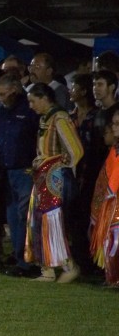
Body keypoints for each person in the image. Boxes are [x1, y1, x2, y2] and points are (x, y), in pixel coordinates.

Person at [24, 83, 83, 282]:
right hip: (43, 179)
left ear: (44, 98)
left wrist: (54, 165)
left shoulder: (60, 118)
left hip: (55, 181)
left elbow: (75, 150)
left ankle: (69, 266)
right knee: (39, 221)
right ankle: (47, 269)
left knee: (54, 222)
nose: (31, 106)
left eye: (33, 101)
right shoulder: (46, 118)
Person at [0, 74, 42, 277]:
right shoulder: (1, 111)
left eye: (3, 94)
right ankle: (18, 256)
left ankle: (28, 262)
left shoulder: (29, 111)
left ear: (15, 90)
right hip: (6, 171)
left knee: (24, 216)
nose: (0, 98)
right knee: (13, 217)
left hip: (25, 170)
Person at [68, 73, 105, 273]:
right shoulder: (70, 117)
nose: (70, 91)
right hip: (73, 175)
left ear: (83, 91)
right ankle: (79, 259)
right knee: (74, 218)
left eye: (74, 87)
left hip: (92, 173)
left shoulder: (97, 116)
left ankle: (94, 262)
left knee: (90, 217)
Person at [90, 105, 119, 286]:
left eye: (117, 124)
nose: (114, 127)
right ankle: (114, 277)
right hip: (113, 203)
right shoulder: (114, 150)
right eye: (114, 124)